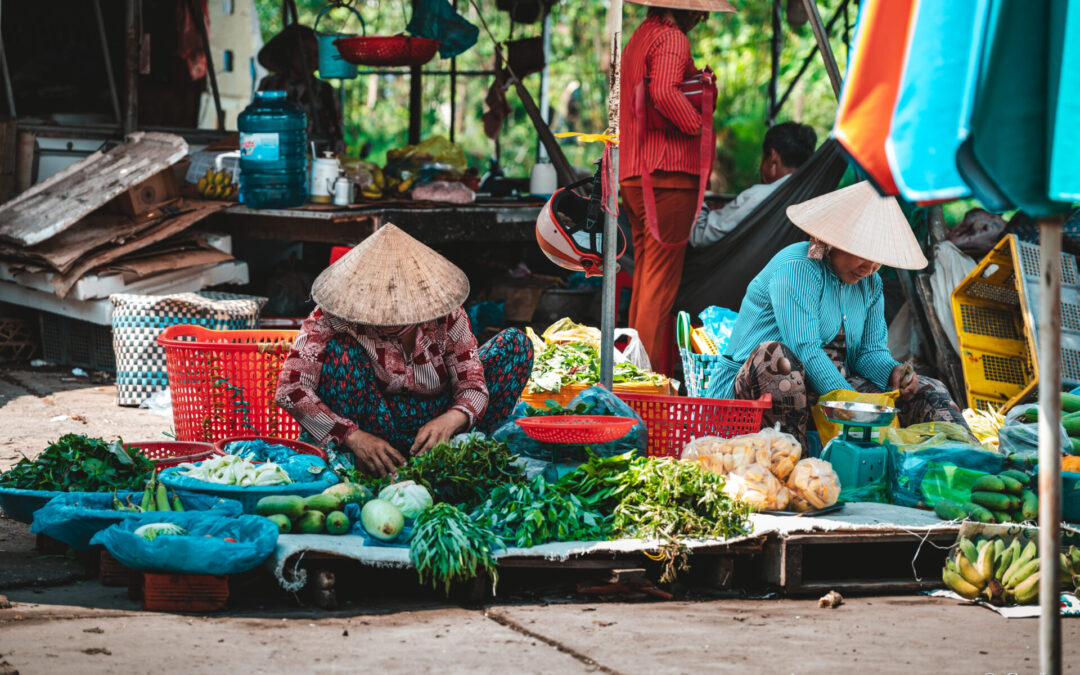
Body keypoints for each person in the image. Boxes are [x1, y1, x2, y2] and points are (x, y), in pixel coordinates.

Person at [706, 181, 971, 448]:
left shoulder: (871, 283)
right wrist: (853, 406)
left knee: (930, 391)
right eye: (863, 256)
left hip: (825, 392)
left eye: (878, 260)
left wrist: (893, 373)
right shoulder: (798, 267)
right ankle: (791, 467)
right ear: (834, 241)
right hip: (756, 391)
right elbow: (806, 349)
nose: (869, 267)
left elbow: (869, 352)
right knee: (777, 358)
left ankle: (965, 464)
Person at [275, 224, 533, 477]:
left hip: (438, 420)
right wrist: (352, 436)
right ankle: (363, 465)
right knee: (339, 351)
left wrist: (453, 418)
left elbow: (472, 383)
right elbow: (291, 389)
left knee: (515, 345)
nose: (389, 319)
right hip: (371, 423)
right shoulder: (331, 317)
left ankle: (457, 463)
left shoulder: (446, 315)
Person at [619, 0, 735, 371]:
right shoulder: (672, 39)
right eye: (700, 9)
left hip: (636, 174)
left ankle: (629, 375)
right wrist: (695, 124)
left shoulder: (640, 37)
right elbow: (666, 93)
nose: (702, 16)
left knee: (647, 282)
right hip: (666, 175)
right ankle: (645, 384)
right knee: (660, 286)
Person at [690, 121, 818, 248]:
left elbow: (700, 236)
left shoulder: (758, 197)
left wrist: (700, 204)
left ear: (772, 159)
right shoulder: (815, 201)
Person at [257, 24, 345, 154]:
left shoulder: (324, 91)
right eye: (306, 52)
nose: (311, 59)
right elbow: (257, 125)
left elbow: (337, 136)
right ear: (289, 51)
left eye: (315, 55)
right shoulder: (269, 85)